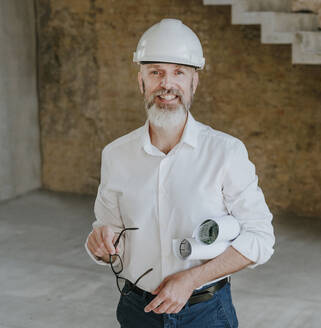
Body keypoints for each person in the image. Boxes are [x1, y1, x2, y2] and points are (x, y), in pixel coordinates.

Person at [84, 18, 275, 328]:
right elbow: (108, 228)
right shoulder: (115, 155)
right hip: (137, 311)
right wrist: (101, 245)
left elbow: (261, 239)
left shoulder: (226, 152)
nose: (167, 84)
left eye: (178, 72)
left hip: (205, 313)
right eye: (156, 72)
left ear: (193, 82)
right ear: (141, 81)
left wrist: (191, 279)